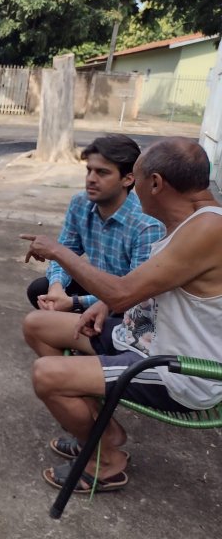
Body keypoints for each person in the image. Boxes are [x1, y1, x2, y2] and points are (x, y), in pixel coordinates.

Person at [20, 137, 222, 493]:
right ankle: (103, 431)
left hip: (175, 369)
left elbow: (121, 292)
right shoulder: (191, 222)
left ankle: (107, 460)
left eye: (139, 180)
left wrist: (57, 251)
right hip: (144, 336)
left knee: (46, 375)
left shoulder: (209, 229)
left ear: (155, 183)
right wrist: (102, 304)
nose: (136, 192)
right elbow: (148, 287)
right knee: (38, 324)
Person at [26, 134, 164, 311]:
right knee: (41, 290)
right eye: (89, 170)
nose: (91, 178)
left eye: (102, 172)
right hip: (97, 287)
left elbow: (136, 294)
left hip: (127, 302)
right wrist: (56, 288)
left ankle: (78, 328)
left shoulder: (147, 225)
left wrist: (75, 303)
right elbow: (66, 252)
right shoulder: (80, 204)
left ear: (128, 179)